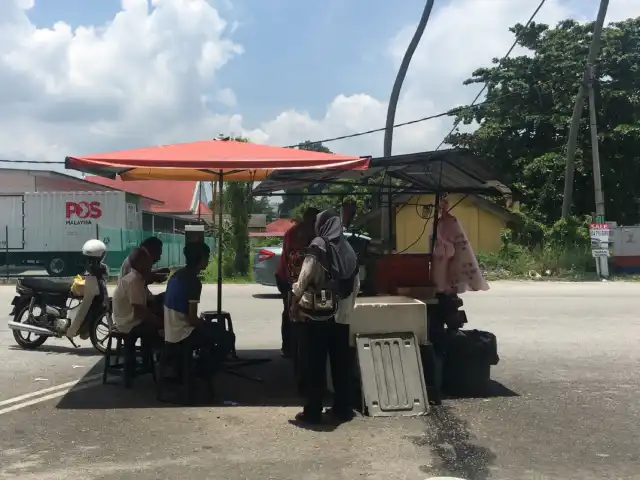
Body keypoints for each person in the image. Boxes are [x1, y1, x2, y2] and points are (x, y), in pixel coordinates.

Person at [290, 209, 361, 425]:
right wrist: (345, 306)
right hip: (342, 316)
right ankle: (343, 408)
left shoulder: (318, 245)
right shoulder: (347, 248)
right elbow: (356, 283)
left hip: (319, 315)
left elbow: (304, 277)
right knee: (341, 363)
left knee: (314, 363)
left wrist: (294, 301)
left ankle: (313, 411)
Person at [164, 242, 234, 366]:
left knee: (214, 329)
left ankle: (198, 365)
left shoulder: (177, 275)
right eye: (207, 257)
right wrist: (203, 323)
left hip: (170, 330)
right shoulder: (193, 282)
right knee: (227, 337)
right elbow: (192, 319)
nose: (208, 260)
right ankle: (205, 369)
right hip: (183, 333)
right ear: (201, 258)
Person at [274, 207, 320, 358]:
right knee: (291, 311)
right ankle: (288, 347)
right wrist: (294, 286)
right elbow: (292, 259)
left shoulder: (315, 234)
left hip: (301, 278)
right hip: (287, 277)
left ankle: (304, 346)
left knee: (307, 312)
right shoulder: (294, 234)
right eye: (314, 220)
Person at [112, 247, 163, 337]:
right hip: (128, 324)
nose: (151, 264)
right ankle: (149, 350)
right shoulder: (134, 281)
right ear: (140, 264)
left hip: (129, 319)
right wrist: (160, 323)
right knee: (156, 331)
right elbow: (140, 311)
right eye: (148, 261)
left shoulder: (137, 278)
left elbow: (146, 302)